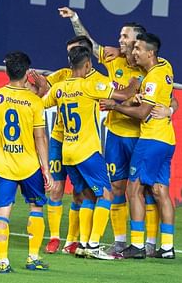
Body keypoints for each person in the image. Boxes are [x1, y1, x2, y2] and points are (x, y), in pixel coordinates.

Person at [59, 6, 178, 256]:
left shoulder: (154, 68)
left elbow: (171, 97)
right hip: (115, 134)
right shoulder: (114, 59)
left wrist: (169, 110)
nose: (120, 41)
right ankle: (121, 241)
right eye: (121, 37)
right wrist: (75, 19)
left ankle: (149, 243)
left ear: (139, 42)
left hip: (139, 135)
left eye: (126, 37)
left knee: (147, 191)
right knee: (117, 188)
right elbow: (90, 45)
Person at [43, 46, 139, 260]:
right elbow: (124, 95)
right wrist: (136, 81)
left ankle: (83, 243)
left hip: (67, 151)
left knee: (87, 194)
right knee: (106, 193)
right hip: (87, 152)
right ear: (87, 65)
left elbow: (41, 101)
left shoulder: (60, 88)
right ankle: (94, 245)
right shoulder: (90, 85)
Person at [100, 33, 177, 259]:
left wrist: (115, 106)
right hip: (168, 139)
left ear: (150, 53)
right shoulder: (166, 66)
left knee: (133, 190)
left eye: (138, 49)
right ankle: (167, 247)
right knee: (160, 191)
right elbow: (168, 99)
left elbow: (143, 114)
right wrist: (169, 110)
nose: (134, 53)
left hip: (151, 139)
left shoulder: (152, 79)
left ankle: (136, 245)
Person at [0, 51, 54, 273]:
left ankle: (3, 261)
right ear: (26, 74)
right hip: (29, 164)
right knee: (36, 207)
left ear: (7, 71)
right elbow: (40, 137)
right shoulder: (33, 102)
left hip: (2, 165)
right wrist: (47, 170)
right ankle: (33, 257)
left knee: (3, 212)